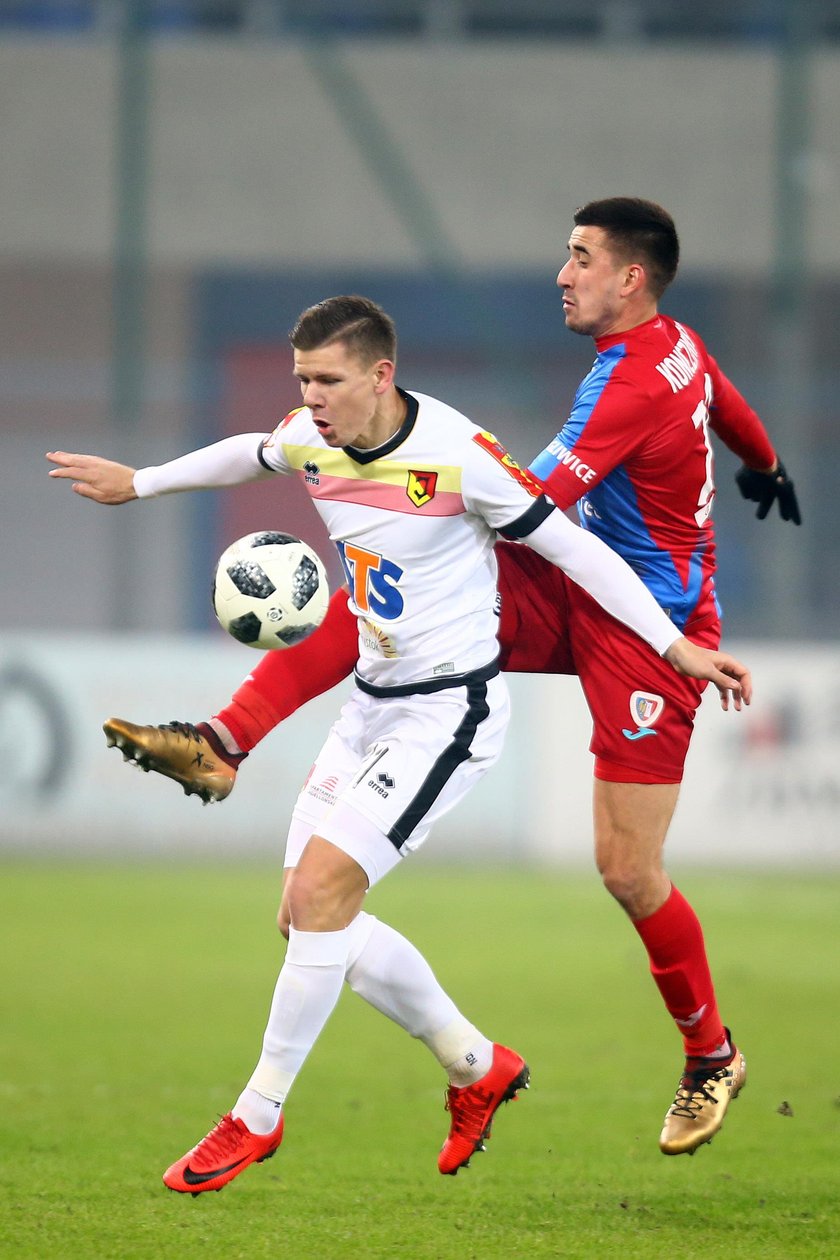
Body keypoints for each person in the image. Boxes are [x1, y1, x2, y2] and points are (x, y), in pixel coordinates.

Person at [85, 199, 801, 1162]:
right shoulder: (674, 344)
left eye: (581, 258)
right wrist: (765, 462)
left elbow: (527, 502)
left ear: (630, 278)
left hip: (649, 616)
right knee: (397, 589)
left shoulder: (624, 386)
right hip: (573, 581)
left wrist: (674, 644)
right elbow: (718, 389)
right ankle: (227, 741)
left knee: (627, 869)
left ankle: (710, 1055)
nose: (564, 272)